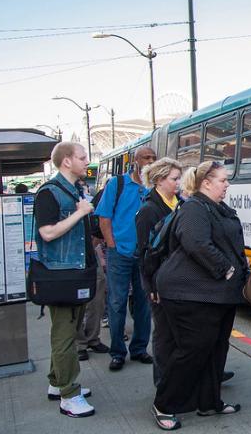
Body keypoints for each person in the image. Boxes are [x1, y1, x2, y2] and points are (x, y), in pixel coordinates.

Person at [150, 161, 247, 430]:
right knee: (194, 349)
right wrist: (225, 269)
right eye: (222, 180)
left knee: (216, 348)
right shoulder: (194, 207)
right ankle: (164, 404)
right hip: (189, 293)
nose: (227, 184)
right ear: (206, 182)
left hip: (219, 295)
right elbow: (196, 242)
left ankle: (209, 402)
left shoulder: (218, 208)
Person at [33, 142, 96, 418]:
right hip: (62, 275)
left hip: (76, 273)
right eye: (82, 158)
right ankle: (69, 395)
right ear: (66, 162)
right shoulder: (49, 193)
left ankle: (57, 383)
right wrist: (80, 213)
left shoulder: (74, 191)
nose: (87, 162)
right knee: (65, 336)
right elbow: (47, 233)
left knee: (67, 332)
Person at [96, 146, 157, 371]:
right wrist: (113, 245)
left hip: (145, 255)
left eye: (153, 158)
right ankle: (118, 352)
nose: (150, 161)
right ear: (135, 160)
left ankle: (139, 349)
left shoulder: (153, 188)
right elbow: (104, 218)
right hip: (120, 253)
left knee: (144, 304)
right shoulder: (117, 184)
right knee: (117, 302)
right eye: (146, 158)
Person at [134, 157, 184, 386]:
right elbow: (145, 252)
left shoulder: (180, 203)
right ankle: (163, 384)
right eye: (174, 179)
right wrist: (152, 286)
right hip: (161, 283)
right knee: (164, 336)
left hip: (180, 280)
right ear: (159, 180)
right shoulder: (148, 211)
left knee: (180, 335)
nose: (179, 183)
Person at [76, 177, 110, 362]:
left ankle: (92, 338)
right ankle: (80, 343)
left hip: (89, 252)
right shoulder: (57, 192)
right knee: (78, 299)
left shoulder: (89, 196)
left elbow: (97, 224)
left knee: (98, 292)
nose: (86, 162)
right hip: (73, 255)